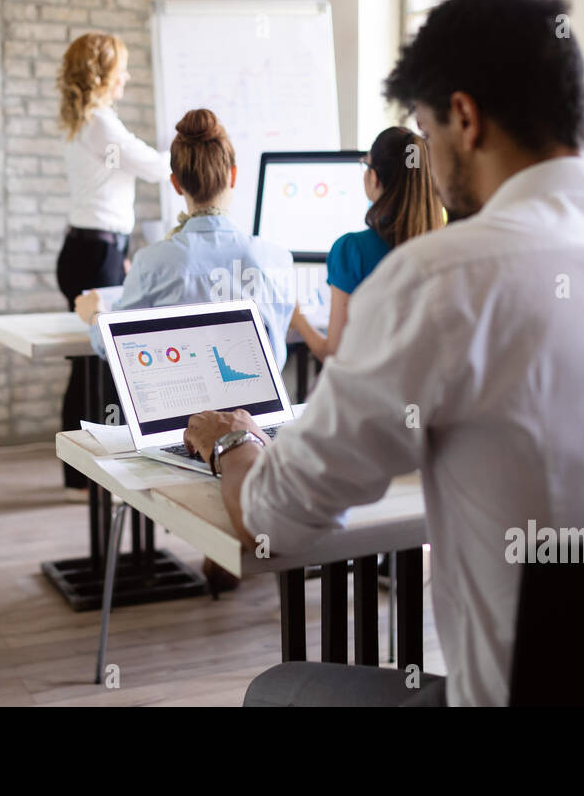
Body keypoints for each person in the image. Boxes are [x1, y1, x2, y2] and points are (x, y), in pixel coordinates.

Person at [179, 0, 584, 707]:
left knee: (276, 687)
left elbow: (275, 519)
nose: (425, 156)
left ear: (464, 117)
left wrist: (232, 441)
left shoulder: (441, 280)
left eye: (425, 134)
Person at [74, 108, 295, 368]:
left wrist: (95, 316)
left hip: (183, 409)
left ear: (176, 184)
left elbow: (116, 346)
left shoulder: (151, 263)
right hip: (257, 409)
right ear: (233, 175)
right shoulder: (278, 260)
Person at [56, 33, 169, 494]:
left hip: (93, 250)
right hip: (95, 253)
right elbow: (157, 168)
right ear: (102, 74)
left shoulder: (91, 121)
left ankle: (80, 478)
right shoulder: (102, 124)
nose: (128, 75)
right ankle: (92, 477)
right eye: (122, 67)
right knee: (99, 366)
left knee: (88, 363)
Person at [291, 127, 444, 360]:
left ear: (374, 177)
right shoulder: (446, 246)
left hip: (374, 392)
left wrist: (297, 318)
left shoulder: (352, 250)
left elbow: (334, 353)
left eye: (366, 164)